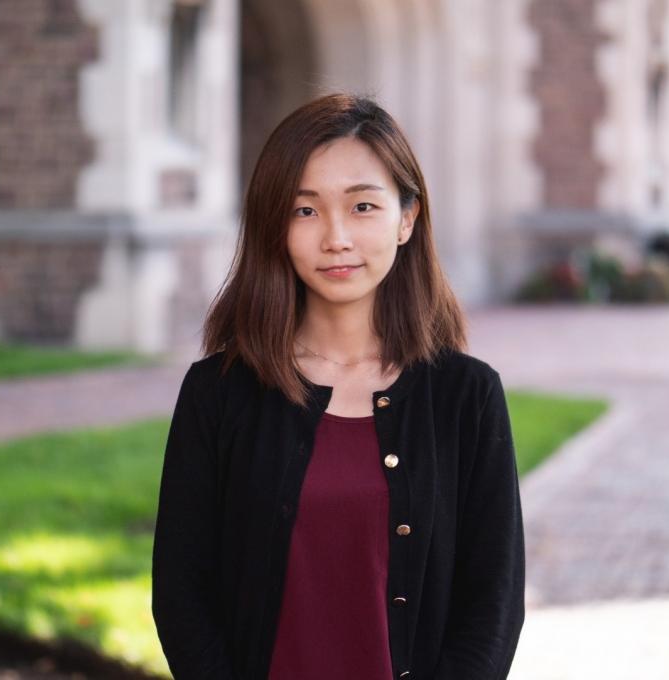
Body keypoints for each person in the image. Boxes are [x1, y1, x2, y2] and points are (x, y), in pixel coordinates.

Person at [151, 93, 525, 680]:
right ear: (275, 226)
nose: (336, 238)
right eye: (305, 211)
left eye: (363, 207)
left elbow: (493, 605)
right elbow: (181, 593)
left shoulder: (466, 397)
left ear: (407, 219)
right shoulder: (218, 392)